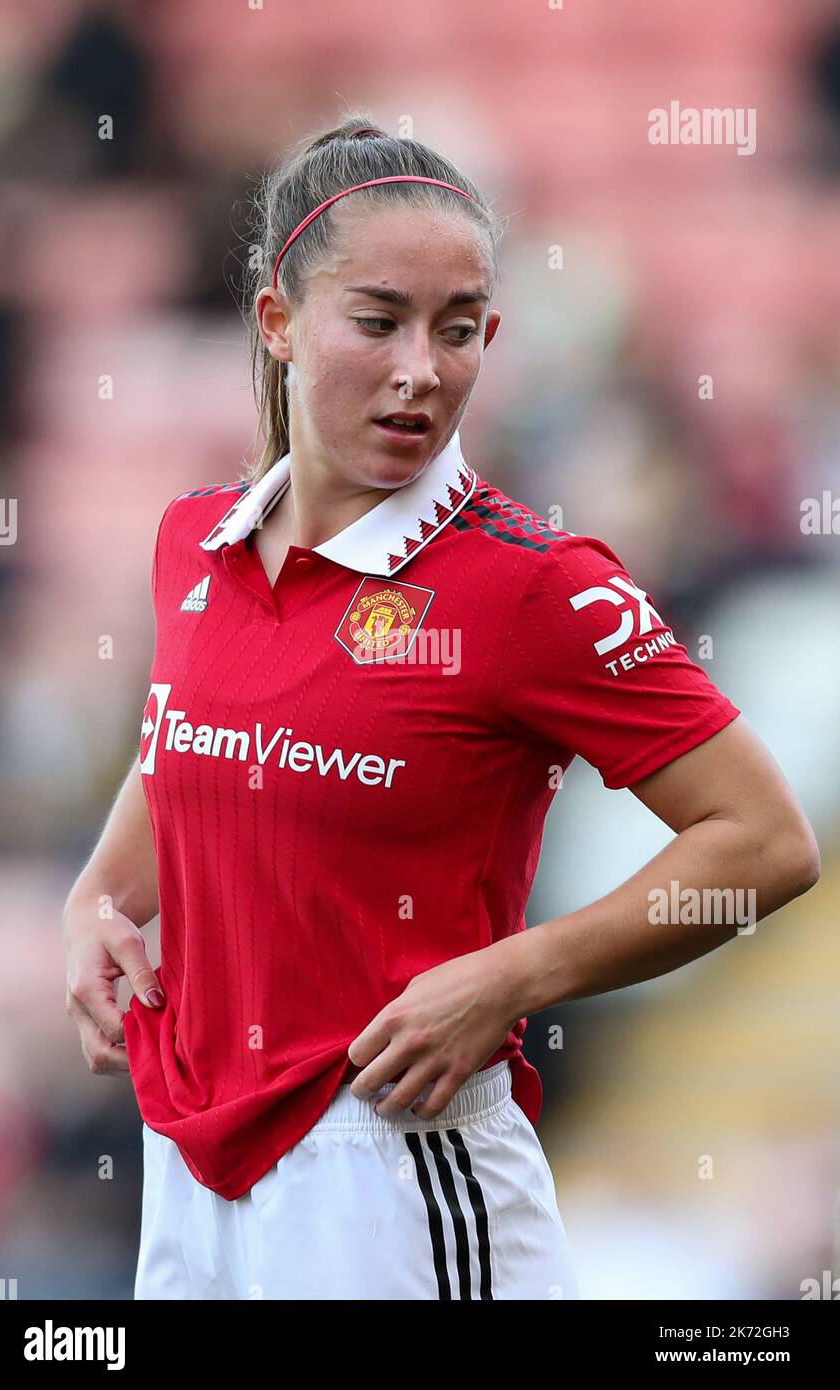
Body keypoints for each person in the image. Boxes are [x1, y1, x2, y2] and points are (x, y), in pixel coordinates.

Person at [62, 112, 821, 1301]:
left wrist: (514, 976)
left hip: (399, 1163)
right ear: (276, 322)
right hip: (188, 1164)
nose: (423, 367)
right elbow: (198, 743)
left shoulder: (532, 583)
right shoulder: (191, 544)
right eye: (378, 321)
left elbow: (766, 841)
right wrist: (94, 901)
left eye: (458, 330)